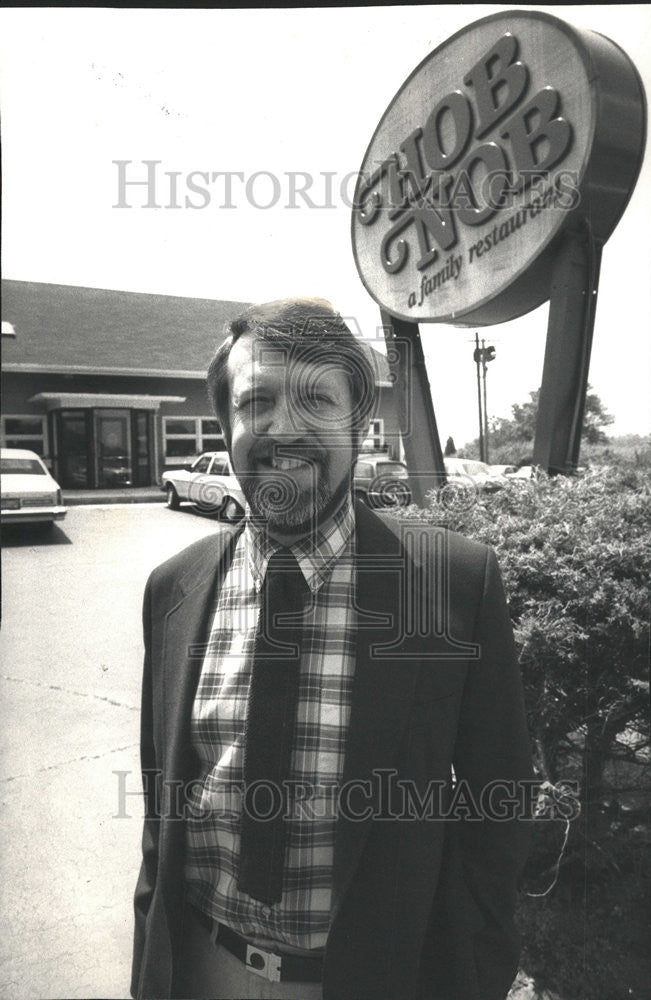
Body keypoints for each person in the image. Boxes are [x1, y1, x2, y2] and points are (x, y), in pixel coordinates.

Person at [131, 297, 534, 1000]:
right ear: (228, 425)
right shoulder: (173, 590)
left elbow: (496, 809)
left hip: (371, 978)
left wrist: (473, 973)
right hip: (199, 967)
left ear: (358, 423)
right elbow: (161, 815)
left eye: (315, 399)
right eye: (256, 401)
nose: (282, 427)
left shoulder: (450, 586)